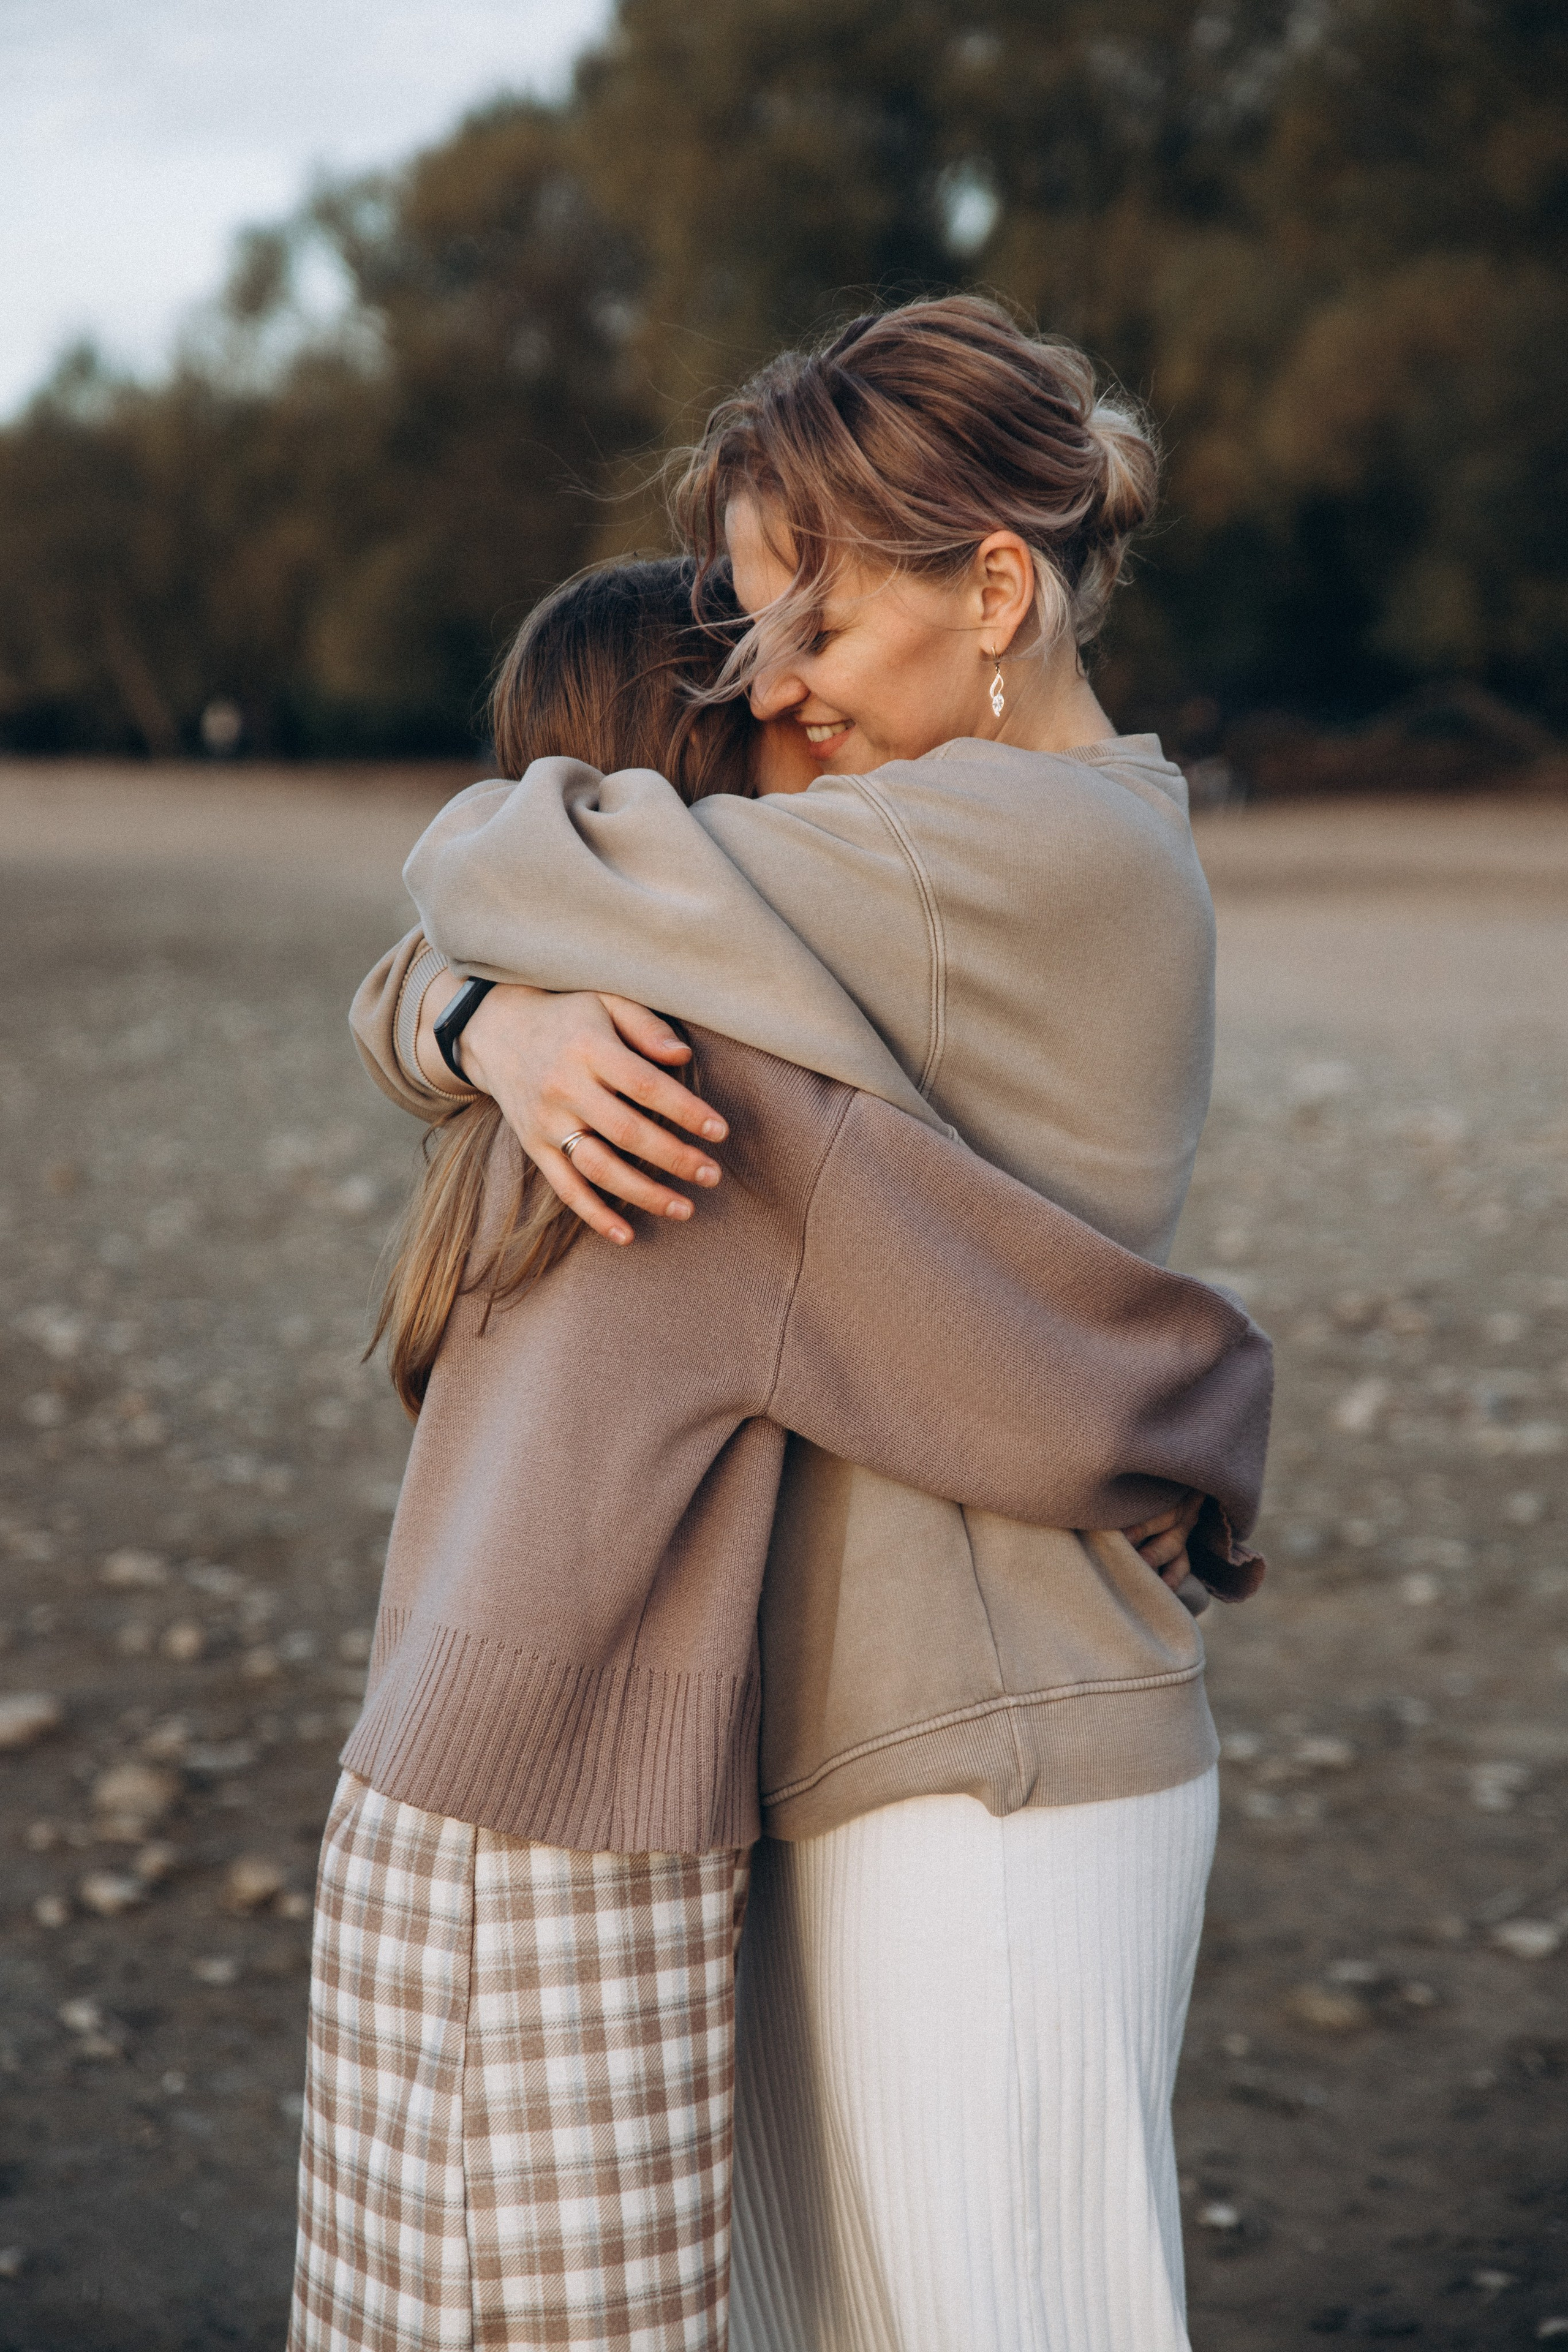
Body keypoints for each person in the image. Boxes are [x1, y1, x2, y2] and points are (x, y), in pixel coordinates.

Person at [377, 295, 1250, 2350]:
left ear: (999, 589)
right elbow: (472, 936)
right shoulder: (912, 851)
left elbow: (493, 850)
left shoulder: (1015, 852)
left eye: (817, 630)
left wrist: (467, 993)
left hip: (999, 1754)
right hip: (874, 1746)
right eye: (761, 644)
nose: (785, 692)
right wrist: (477, 1018)